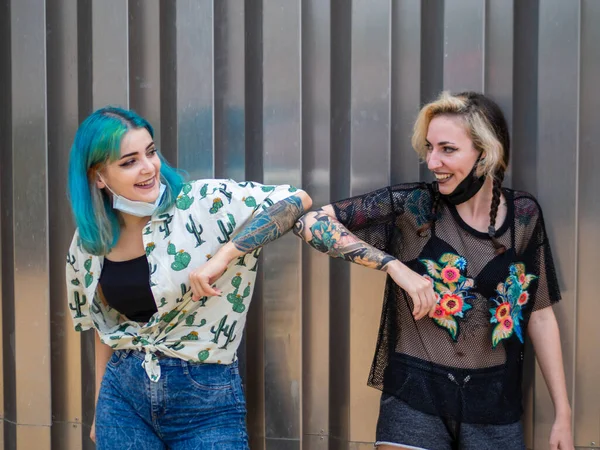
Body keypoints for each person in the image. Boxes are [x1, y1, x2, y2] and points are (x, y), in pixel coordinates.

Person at [293, 92, 573, 450]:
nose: (432, 161)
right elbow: (311, 222)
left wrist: (562, 413)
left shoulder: (524, 216)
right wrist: (394, 266)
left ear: (485, 154)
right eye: (429, 148)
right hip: (415, 394)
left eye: (447, 149)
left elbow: (540, 313)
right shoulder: (415, 207)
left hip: (495, 403)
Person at [65, 106, 311, 450]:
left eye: (150, 152)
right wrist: (98, 411)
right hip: (122, 399)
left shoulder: (201, 203)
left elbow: (296, 199)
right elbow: (104, 329)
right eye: (128, 161)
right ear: (98, 177)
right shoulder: (90, 241)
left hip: (205, 396)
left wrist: (224, 256)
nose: (149, 167)